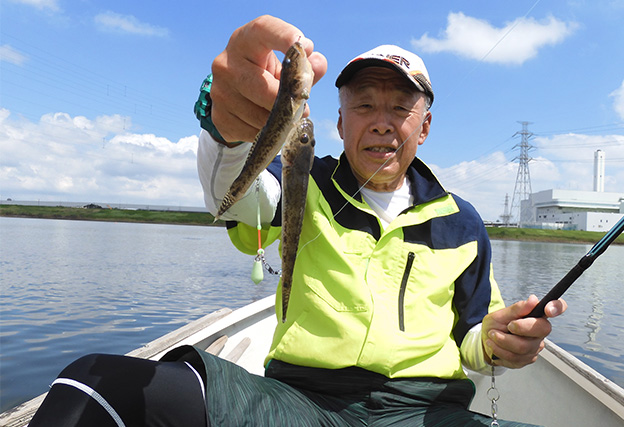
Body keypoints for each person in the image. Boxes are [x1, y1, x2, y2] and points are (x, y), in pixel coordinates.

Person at [29, 15, 567, 427]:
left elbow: (472, 338)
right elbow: (238, 194)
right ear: (335, 119)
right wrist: (225, 128)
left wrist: (499, 341)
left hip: (425, 411)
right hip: (298, 400)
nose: (381, 123)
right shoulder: (303, 181)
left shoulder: (462, 222)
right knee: (92, 387)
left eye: (400, 107)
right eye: (363, 104)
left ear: (423, 126)